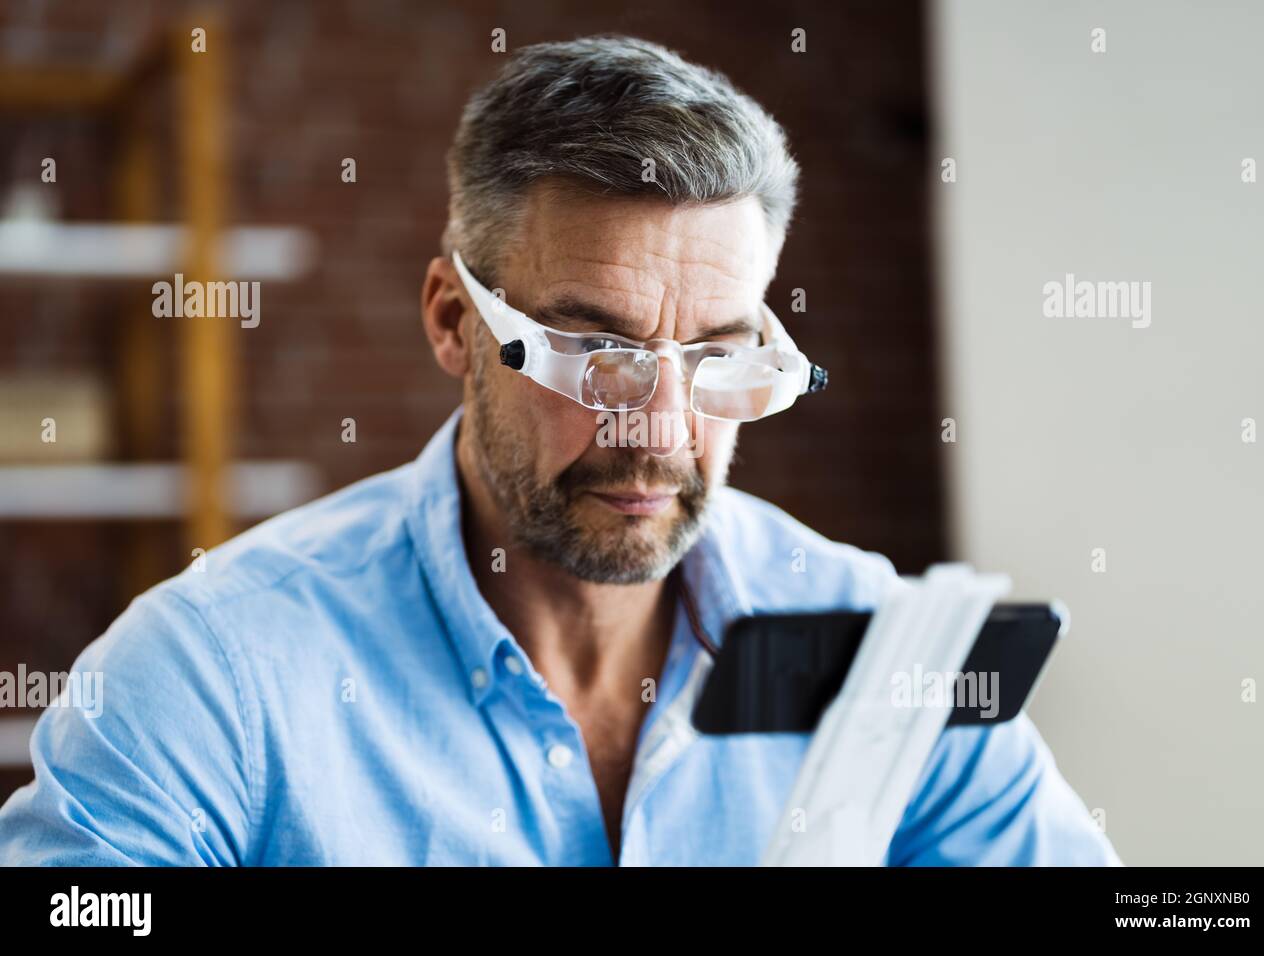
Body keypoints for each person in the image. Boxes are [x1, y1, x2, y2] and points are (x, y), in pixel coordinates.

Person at [0, 35, 1120, 866]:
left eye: (718, 355)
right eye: (595, 350)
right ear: (453, 319)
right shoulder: (216, 674)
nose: (663, 428)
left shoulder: (889, 659)